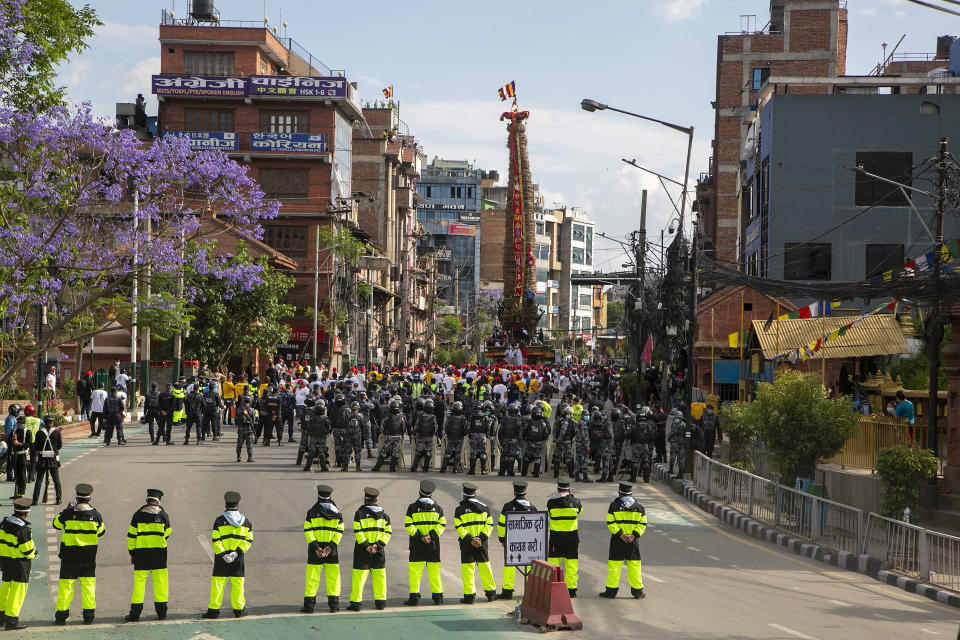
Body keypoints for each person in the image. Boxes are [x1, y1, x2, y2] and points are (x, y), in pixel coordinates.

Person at [53, 483, 105, 625]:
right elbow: (101, 533)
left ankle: (61, 616)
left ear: (76, 498)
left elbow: (56, 524)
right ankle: (88, 616)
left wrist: (67, 509)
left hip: (69, 557)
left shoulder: (68, 514)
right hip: (88, 557)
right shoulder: (96, 515)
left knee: (66, 587)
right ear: (89, 499)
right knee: (88, 587)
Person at [202, 491, 253, 619]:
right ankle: (239, 610)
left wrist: (224, 554)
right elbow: (248, 540)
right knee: (238, 584)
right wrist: (236, 553)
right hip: (238, 559)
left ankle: (213, 611)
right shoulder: (246, 522)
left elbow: (215, 539)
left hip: (221, 558)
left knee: (218, 584)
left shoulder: (219, 521)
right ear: (238, 504)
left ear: (226, 504)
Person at [124, 489, 171, 622]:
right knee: (161, 584)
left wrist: (132, 553)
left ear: (146, 501)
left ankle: (135, 614)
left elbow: (131, 536)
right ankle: (162, 613)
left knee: (139, 585)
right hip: (159, 555)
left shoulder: (137, 515)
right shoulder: (163, 515)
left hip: (141, 555)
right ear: (158, 501)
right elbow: (167, 533)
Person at [599, 482, 647, 600]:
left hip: (617, 541)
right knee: (634, 567)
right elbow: (643, 524)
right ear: (631, 493)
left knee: (614, 567)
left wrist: (620, 534)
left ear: (619, 493)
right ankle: (638, 592)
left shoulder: (614, 506)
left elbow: (610, 522)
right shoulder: (639, 507)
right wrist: (633, 535)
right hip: (633, 542)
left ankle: (611, 592)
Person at [302, 484, 343, 614]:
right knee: (333, 578)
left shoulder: (312, 511)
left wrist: (316, 548)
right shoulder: (337, 512)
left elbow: (308, 531)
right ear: (330, 495)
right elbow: (340, 531)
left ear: (318, 495)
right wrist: (330, 547)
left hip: (315, 551)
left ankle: (309, 606)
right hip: (332, 551)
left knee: (312, 578)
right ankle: (334, 606)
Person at [403, 480, 445, 606]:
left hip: (417, 546)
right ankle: (438, 597)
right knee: (434, 572)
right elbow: (442, 525)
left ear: (419, 492)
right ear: (431, 494)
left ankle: (414, 598)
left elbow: (408, 525)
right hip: (433, 546)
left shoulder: (412, 508)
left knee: (415, 572)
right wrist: (430, 536)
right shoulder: (438, 508)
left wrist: (420, 537)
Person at [349, 487, 391, 611]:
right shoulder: (385, 516)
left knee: (359, 577)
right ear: (376, 499)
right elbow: (388, 533)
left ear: (365, 500)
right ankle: (380, 603)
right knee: (379, 577)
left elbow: (358, 532)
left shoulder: (359, 514)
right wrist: (378, 546)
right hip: (379, 551)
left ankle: (356, 603)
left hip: (362, 550)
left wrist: (367, 547)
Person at [454, 482, 496, 604]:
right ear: (475, 494)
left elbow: (459, 527)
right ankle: (491, 594)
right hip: (481, 544)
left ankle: (469, 596)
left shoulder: (459, 510)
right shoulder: (485, 508)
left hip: (467, 545)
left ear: (464, 495)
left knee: (468, 569)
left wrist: (470, 539)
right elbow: (489, 525)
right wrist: (480, 539)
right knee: (485, 567)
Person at [496, 481, 537, 600]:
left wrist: (502, 539)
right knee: (529, 565)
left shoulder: (508, 506)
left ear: (514, 492)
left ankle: (507, 591)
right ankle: (531, 591)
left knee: (510, 564)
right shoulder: (532, 507)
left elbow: (501, 525)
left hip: (513, 542)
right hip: (529, 543)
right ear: (525, 492)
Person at [0, 498, 36, 631]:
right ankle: (11, 620)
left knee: (5, 588)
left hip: (5, 561)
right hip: (20, 564)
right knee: (17, 592)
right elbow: (28, 551)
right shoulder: (23, 529)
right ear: (26, 513)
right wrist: (34, 553)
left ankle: (1, 616)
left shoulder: (4, 523)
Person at [546, 476, 582, 597]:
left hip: (556, 538)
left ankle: (554, 588)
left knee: (554, 564)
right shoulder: (576, 503)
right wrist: (571, 497)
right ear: (569, 489)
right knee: (571, 564)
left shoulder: (551, 502)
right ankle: (571, 590)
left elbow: (549, 514)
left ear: (558, 488)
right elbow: (579, 512)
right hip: (571, 538)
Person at [31, 414, 62, 505]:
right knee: (56, 480)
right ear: (52, 422)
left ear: (44, 422)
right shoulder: (57, 432)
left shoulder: (39, 432)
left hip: (42, 459)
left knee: (39, 481)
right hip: (53, 458)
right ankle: (58, 498)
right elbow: (59, 446)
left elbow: (36, 446)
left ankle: (35, 500)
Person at [372, 400, 404, 472]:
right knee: (395, 453)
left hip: (389, 436)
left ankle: (377, 467)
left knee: (383, 452)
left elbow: (382, 427)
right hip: (398, 437)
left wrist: (382, 433)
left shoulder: (387, 417)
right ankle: (392, 468)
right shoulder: (401, 417)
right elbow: (403, 428)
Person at [410, 398, 437, 473]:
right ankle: (425, 468)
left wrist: (414, 433)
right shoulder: (433, 417)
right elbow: (436, 428)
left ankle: (414, 468)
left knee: (418, 452)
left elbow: (416, 427)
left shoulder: (420, 417)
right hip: (430, 437)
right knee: (428, 453)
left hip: (421, 437)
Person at [7, 417, 31, 500]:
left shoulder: (27, 432)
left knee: (23, 476)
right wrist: (10, 453)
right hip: (15, 456)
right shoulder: (14, 432)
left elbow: (29, 444)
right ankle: (16, 493)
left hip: (23, 456)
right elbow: (9, 444)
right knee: (16, 476)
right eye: (20, 422)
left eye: (23, 422)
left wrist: (19, 444)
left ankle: (21, 493)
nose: (22, 424)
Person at [440, 401, 467, 474]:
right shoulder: (463, 418)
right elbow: (465, 429)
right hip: (459, 438)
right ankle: (455, 469)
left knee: (447, 453)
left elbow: (446, 428)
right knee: (458, 453)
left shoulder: (450, 417)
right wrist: (464, 434)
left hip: (451, 437)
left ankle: (443, 468)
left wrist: (448, 434)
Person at [497, 403, 522, 477]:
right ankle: (510, 472)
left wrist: (501, 441)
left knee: (503, 455)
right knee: (512, 456)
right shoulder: (518, 420)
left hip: (505, 440)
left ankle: (502, 472)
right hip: (514, 441)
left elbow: (500, 431)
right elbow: (520, 432)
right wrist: (520, 442)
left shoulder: (504, 419)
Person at [235, 395, 255, 463]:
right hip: (248, 429)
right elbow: (253, 420)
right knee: (249, 444)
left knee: (239, 444)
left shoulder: (238, 409)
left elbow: (236, 420)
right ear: (249, 402)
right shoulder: (251, 410)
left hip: (240, 429)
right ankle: (250, 457)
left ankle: (238, 457)